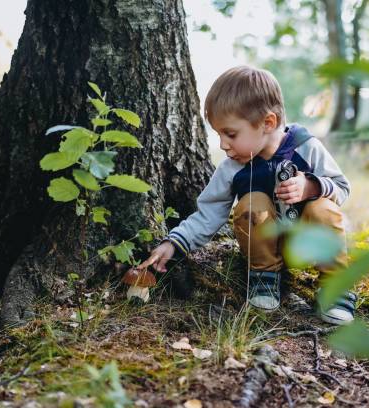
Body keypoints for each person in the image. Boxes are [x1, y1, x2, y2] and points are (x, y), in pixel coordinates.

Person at [138, 66, 355, 325]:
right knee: (252, 203)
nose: (223, 145)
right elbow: (209, 213)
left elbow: (342, 187)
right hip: (267, 248)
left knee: (323, 208)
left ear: (268, 123)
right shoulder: (233, 168)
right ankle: (264, 277)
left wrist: (311, 187)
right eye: (219, 135)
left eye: (230, 134)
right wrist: (174, 243)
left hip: (309, 243)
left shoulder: (306, 147)